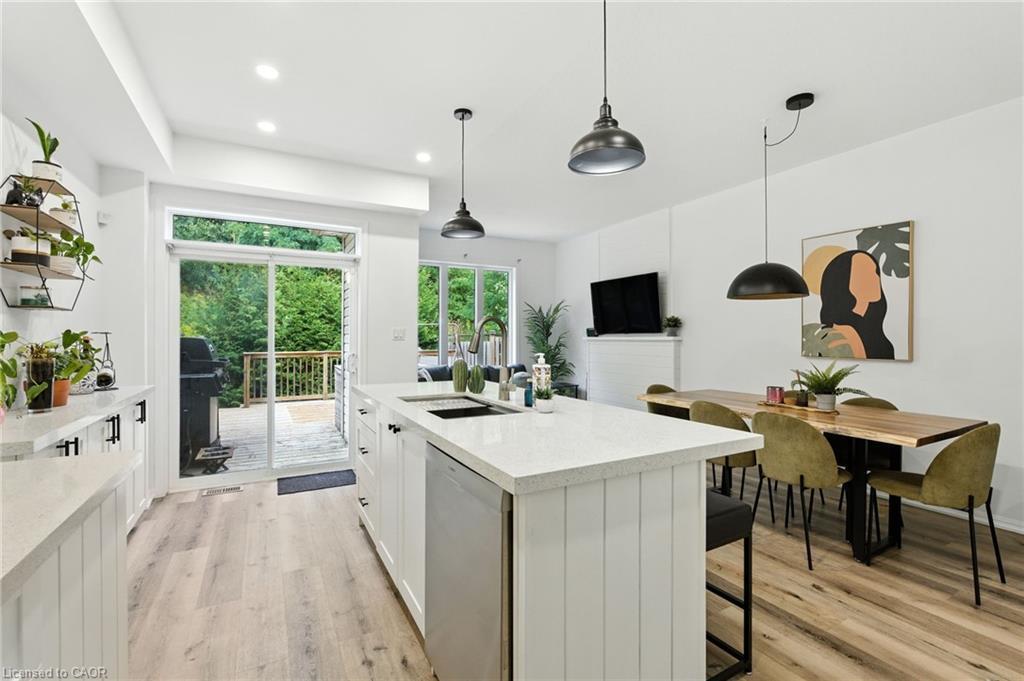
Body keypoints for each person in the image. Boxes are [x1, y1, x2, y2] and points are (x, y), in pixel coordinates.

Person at [819, 250, 894, 359]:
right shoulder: (842, 333)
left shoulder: (871, 328)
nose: (875, 278)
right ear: (843, 280)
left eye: (875, 272)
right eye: (864, 272)